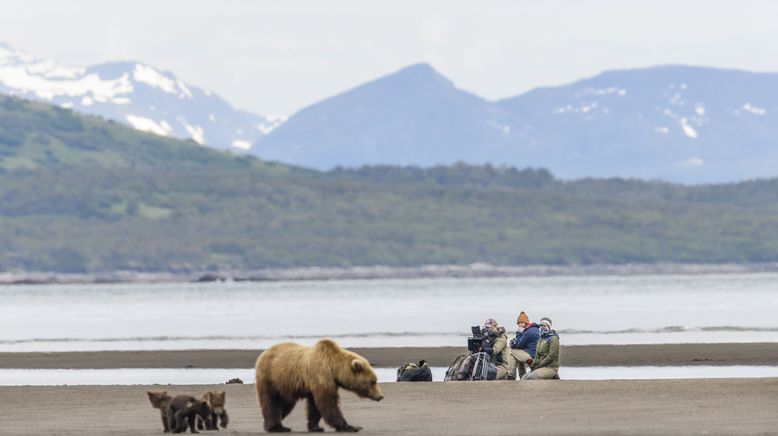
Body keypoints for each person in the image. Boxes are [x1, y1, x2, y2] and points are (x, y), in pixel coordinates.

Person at [507, 311, 540, 380]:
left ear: (526, 322)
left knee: (511, 351)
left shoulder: (529, 332)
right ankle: (522, 376)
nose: (520, 325)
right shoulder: (532, 329)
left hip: (531, 355)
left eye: (521, 323)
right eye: (518, 323)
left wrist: (518, 333)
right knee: (517, 356)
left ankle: (511, 375)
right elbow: (521, 343)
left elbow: (519, 345)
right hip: (532, 353)